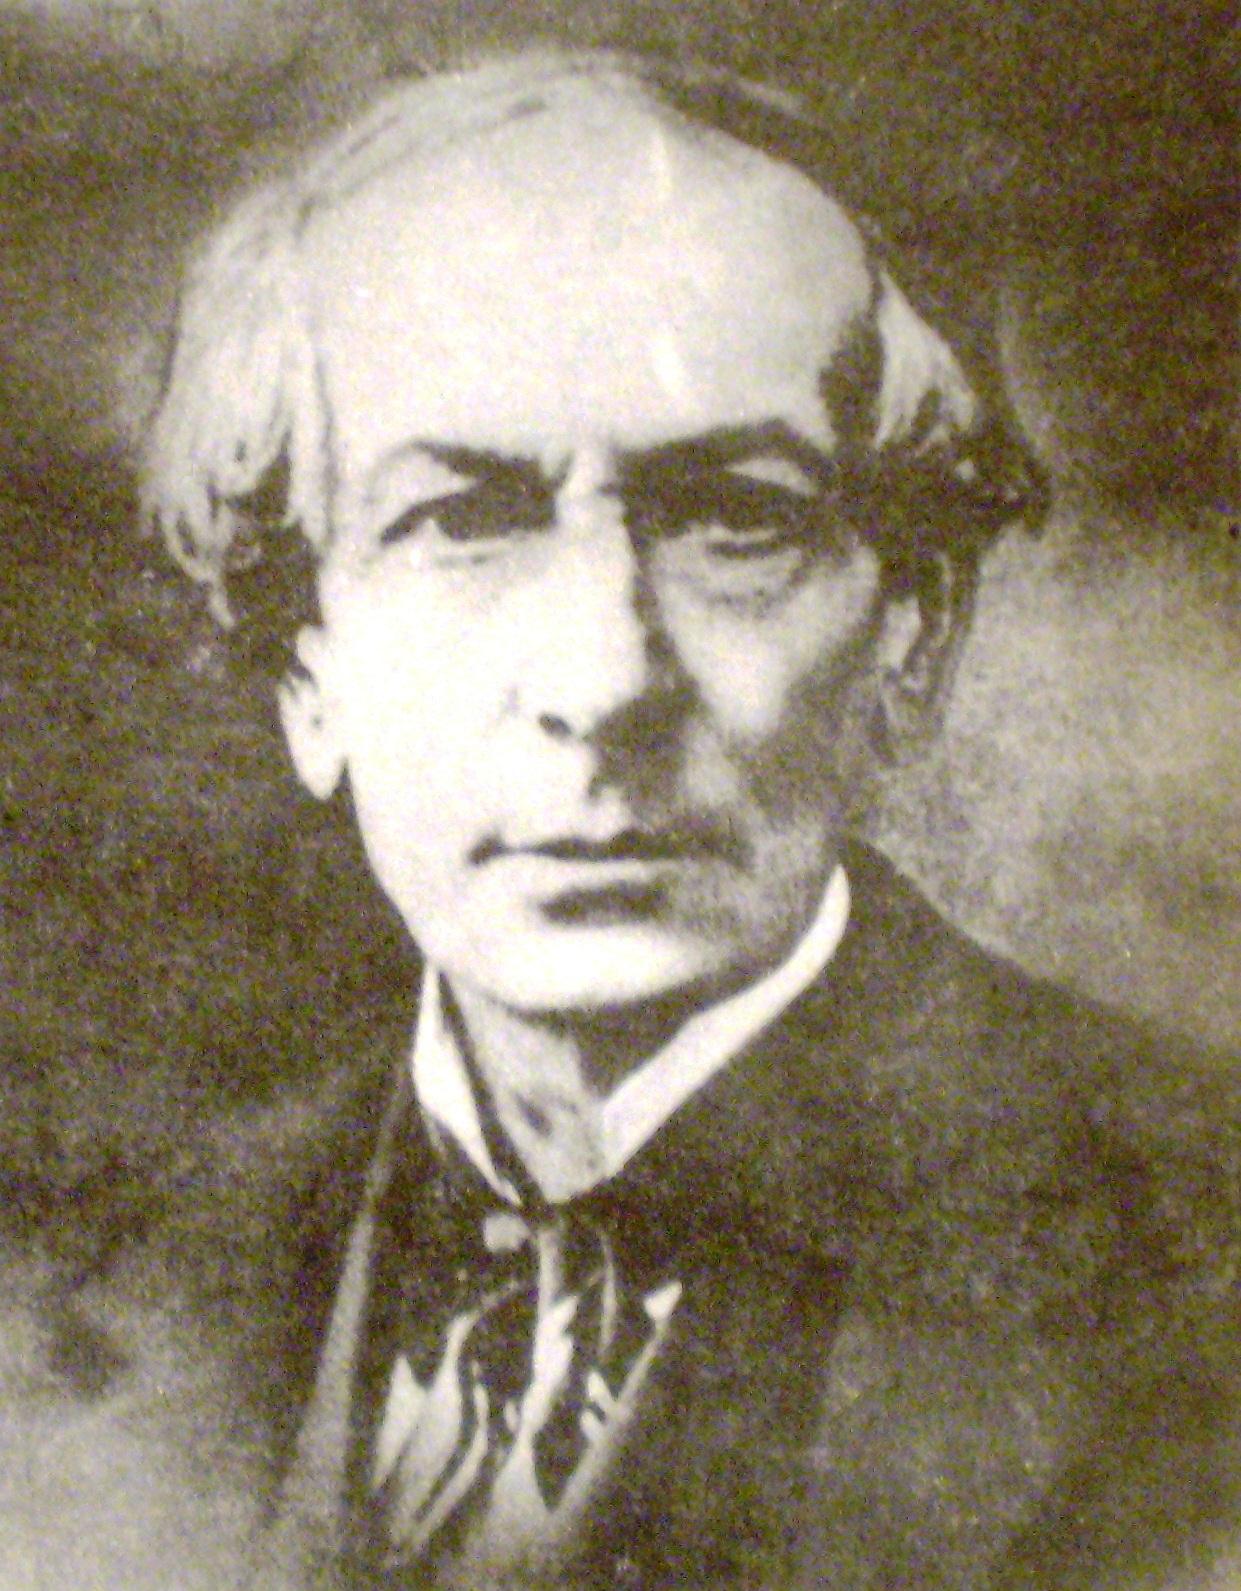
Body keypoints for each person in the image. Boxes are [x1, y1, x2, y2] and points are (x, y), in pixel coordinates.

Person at [63, 46, 1238, 1591]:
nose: (605, 678)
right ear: (304, 668)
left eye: (736, 520)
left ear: (911, 638)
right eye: (458, 521)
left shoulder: (1193, 1251)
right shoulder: (98, 1289)